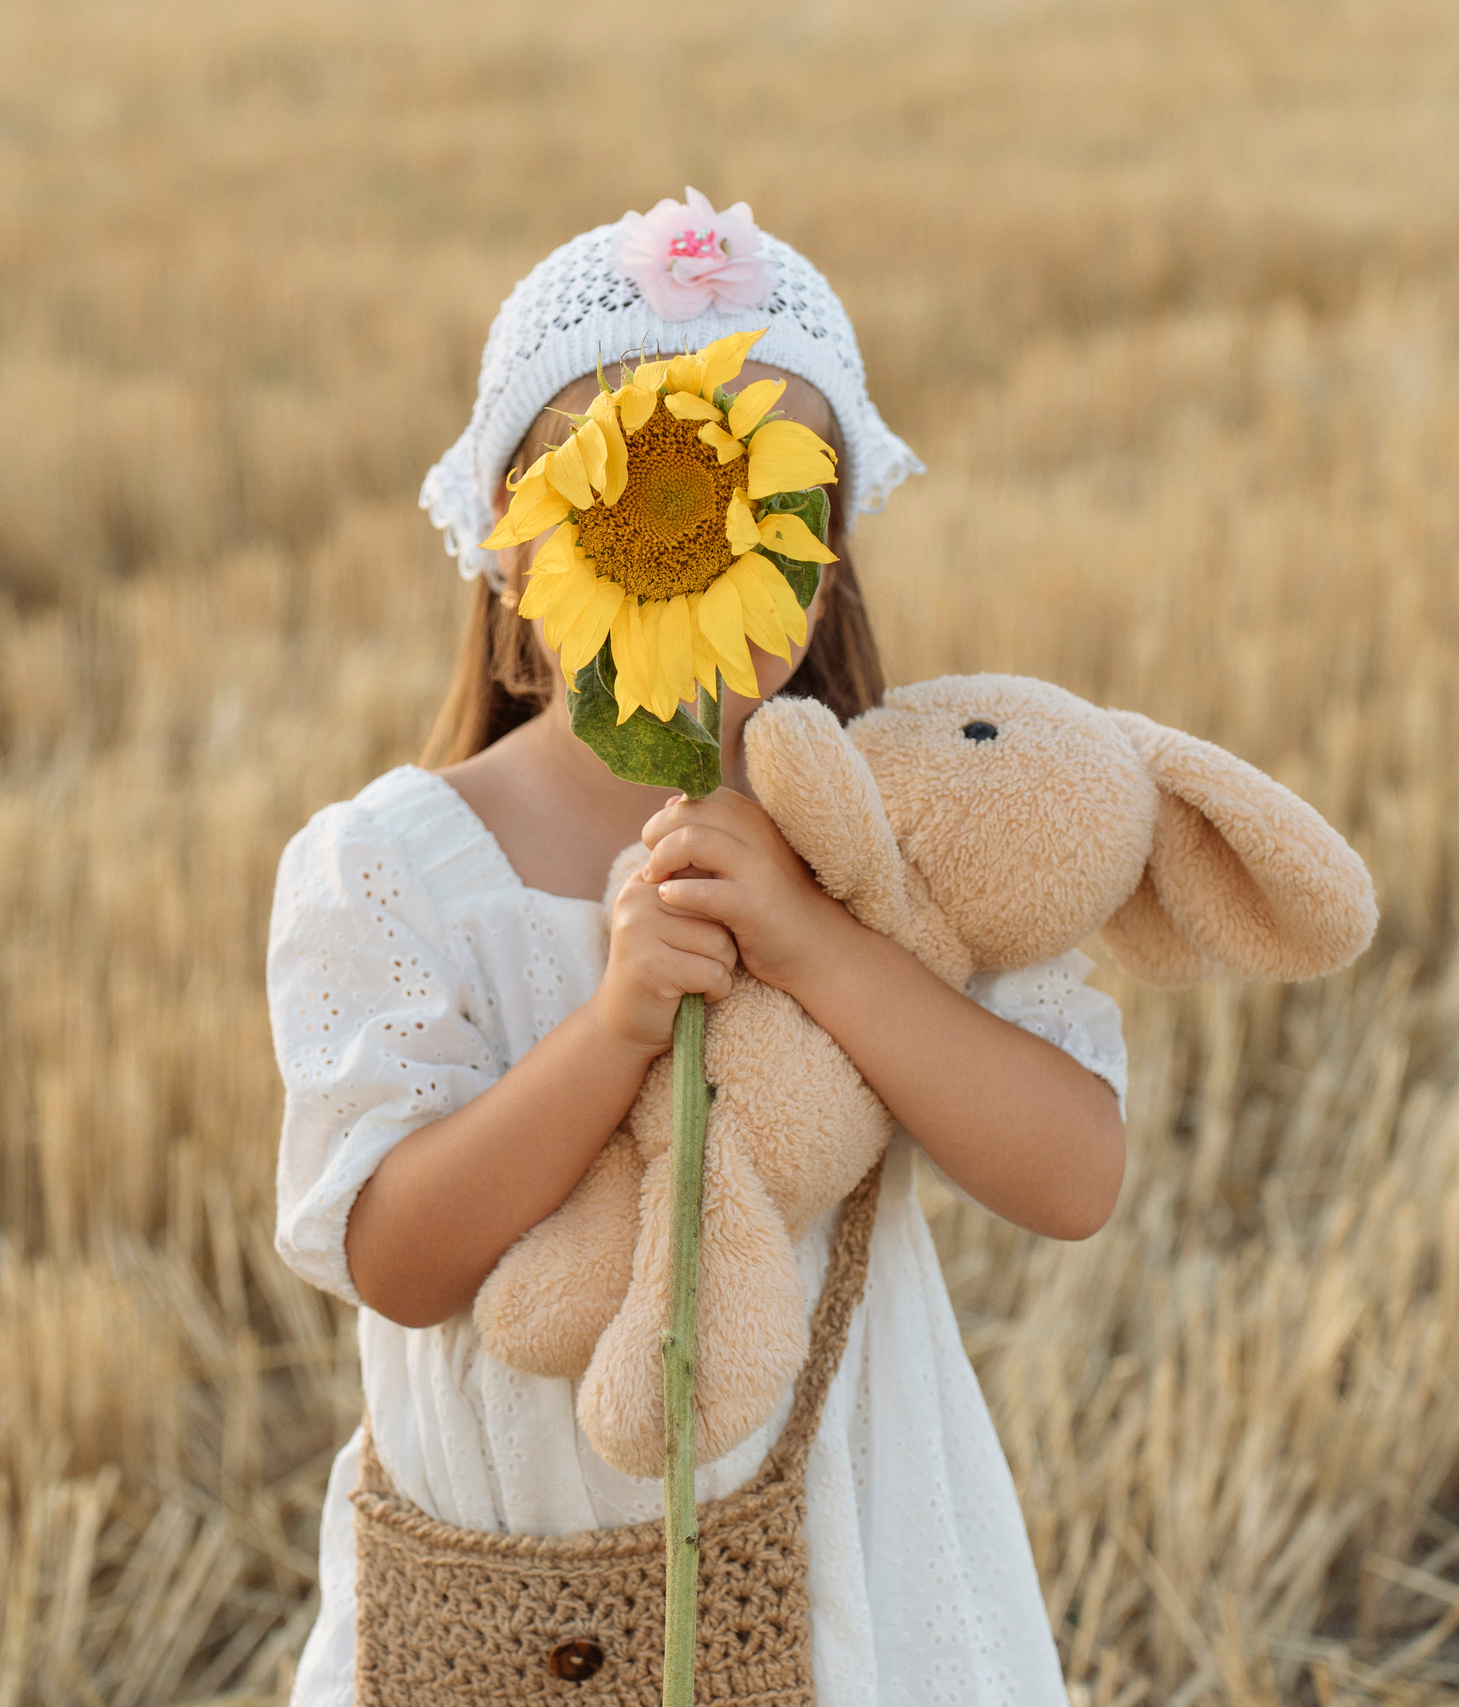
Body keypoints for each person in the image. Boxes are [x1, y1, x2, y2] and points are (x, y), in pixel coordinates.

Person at [268, 196, 1128, 1705]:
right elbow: (398, 1263)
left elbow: (1072, 1176)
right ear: (516, 554)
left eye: (771, 516)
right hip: (511, 1578)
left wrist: (816, 946)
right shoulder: (392, 869)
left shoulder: (897, 835)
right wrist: (611, 1026)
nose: (709, 543)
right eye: (647, 504)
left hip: (846, 1556)